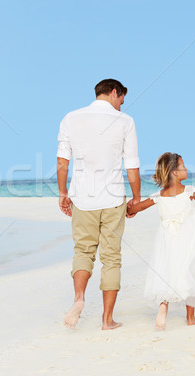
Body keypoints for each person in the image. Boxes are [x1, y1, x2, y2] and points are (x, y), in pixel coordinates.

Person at [57, 79, 141, 330]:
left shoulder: (70, 118)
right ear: (115, 92)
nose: (121, 106)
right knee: (111, 258)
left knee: (83, 251)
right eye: (121, 101)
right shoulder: (125, 122)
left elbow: (63, 163)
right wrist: (136, 198)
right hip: (113, 198)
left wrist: (63, 193)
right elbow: (132, 166)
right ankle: (107, 320)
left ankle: (79, 298)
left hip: (82, 198)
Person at [128, 153, 195, 330]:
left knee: (166, 270)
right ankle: (191, 318)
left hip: (166, 241)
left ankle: (163, 307)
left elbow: (136, 208)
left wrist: (127, 209)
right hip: (188, 239)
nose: (186, 169)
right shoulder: (190, 191)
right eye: (183, 166)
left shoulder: (159, 196)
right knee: (188, 270)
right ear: (175, 173)